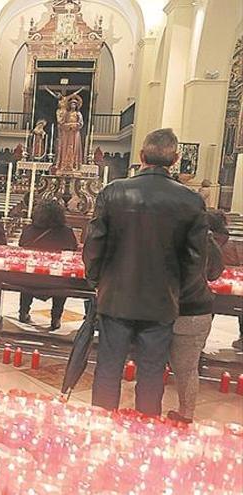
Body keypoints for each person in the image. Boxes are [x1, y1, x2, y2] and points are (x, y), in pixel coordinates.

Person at [85, 128, 208, 417]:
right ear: (175, 159)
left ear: (141, 156)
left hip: (115, 297)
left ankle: (100, 430)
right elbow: (196, 260)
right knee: (152, 374)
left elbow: (93, 245)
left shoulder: (113, 191)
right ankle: (146, 432)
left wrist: (95, 281)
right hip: (162, 302)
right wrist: (179, 293)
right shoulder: (191, 201)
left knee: (108, 369)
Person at [167, 216, 225, 423]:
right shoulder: (206, 239)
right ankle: (186, 413)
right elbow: (215, 273)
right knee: (188, 368)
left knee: (153, 364)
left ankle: (149, 412)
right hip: (198, 309)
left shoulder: (168, 234)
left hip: (167, 309)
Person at [18, 200, 79, 329]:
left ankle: (23, 312)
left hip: (31, 277)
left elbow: (21, 245)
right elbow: (73, 249)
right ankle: (56, 318)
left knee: (28, 276)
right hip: (57, 278)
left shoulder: (30, 229)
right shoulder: (66, 232)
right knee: (61, 285)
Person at [208, 210, 243, 350]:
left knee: (208, 310)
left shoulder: (204, 238)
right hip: (233, 282)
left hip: (208, 284)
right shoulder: (230, 241)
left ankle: (200, 341)